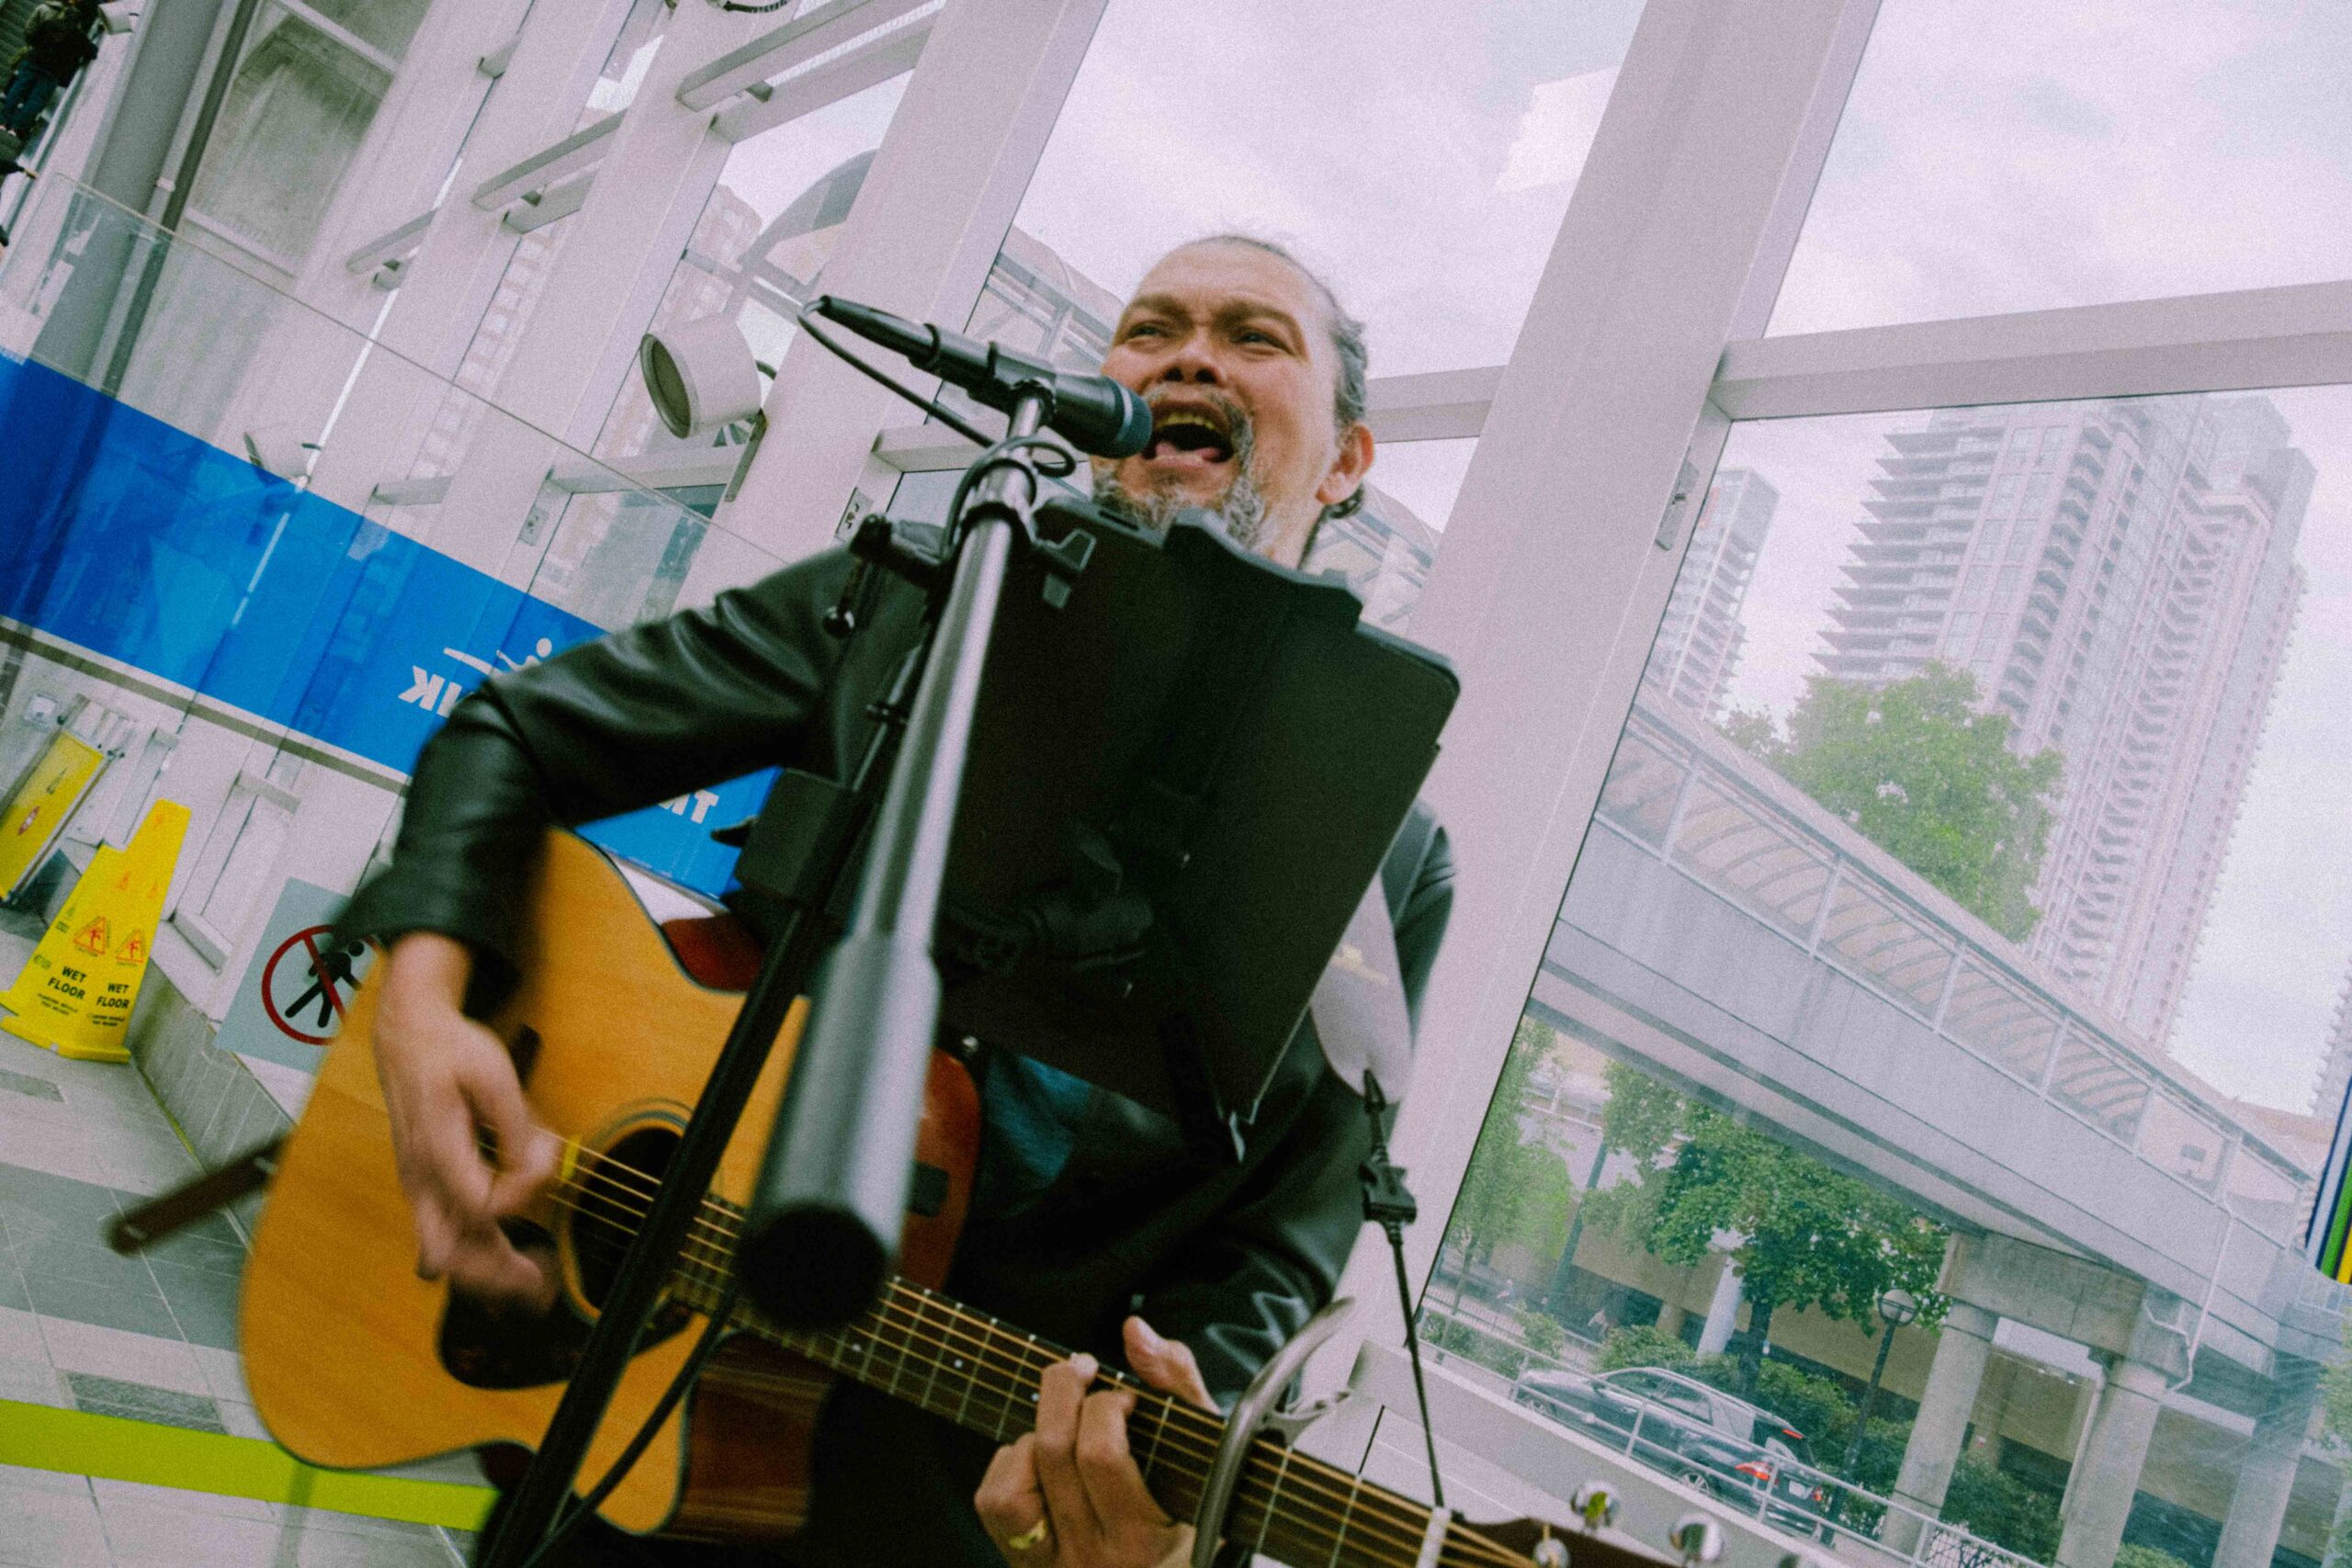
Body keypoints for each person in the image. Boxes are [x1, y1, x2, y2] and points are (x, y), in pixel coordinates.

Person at [336, 234, 1453, 1568]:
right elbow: (516, 733)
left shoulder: (1393, 857)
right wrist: (423, 993)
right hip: (632, 1416)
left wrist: (1162, 1465)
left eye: (1253, 337)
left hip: (954, 1511)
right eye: (1151, 329)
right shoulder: (910, 597)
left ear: (1345, 461)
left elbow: (1281, 1239)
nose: (1189, 358)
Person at [0, 0, 99, 143]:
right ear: (79, 21)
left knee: (18, 89)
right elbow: (92, 52)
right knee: (36, 100)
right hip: (53, 71)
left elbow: (33, 38)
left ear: (64, 15)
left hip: (34, 62)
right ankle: (16, 128)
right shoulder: (79, 38)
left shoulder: (49, 24)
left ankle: (3, 122)